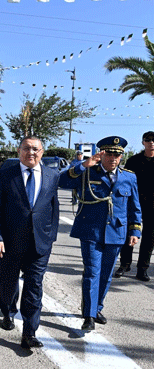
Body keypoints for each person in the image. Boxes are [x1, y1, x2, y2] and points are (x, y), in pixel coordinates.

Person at [59, 136, 141, 331]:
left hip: (116, 232)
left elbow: (134, 207)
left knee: (106, 274)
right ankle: (88, 315)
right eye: (110, 154)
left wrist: (134, 230)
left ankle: (97, 308)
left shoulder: (129, 177)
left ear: (122, 157)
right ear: (102, 154)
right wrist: (82, 165)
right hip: (90, 230)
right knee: (92, 271)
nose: (113, 158)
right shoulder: (86, 172)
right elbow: (62, 181)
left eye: (117, 155)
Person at [0, 136, 60, 349]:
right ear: (19, 151)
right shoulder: (4, 175)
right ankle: (8, 312)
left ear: (42, 152)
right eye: (27, 148)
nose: (31, 153)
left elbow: (53, 208)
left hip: (40, 243)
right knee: (7, 283)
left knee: (34, 286)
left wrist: (51, 236)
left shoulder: (52, 175)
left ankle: (30, 332)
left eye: (36, 149)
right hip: (9, 242)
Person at [115, 131, 154, 282]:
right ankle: (124, 265)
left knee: (149, 239)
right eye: (148, 140)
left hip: (152, 205)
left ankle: (142, 269)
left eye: (153, 140)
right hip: (134, 202)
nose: (151, 142)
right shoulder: (134, 161)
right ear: (143, 142)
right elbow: (125, 181)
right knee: (128, 234)